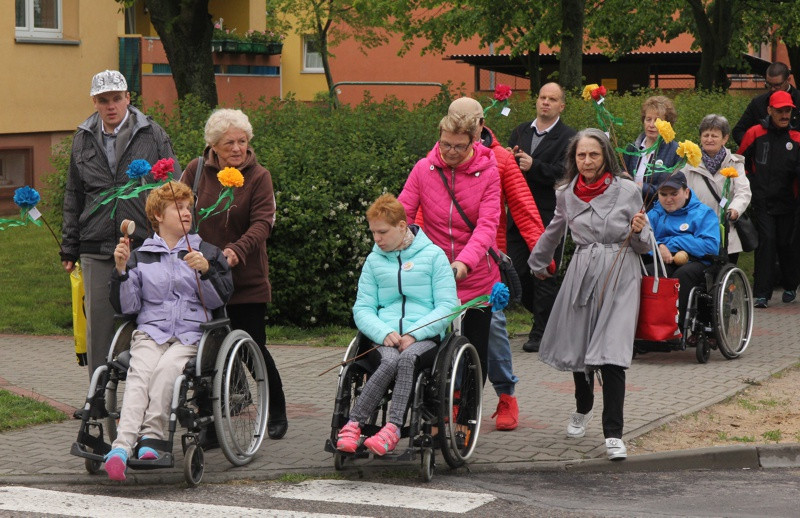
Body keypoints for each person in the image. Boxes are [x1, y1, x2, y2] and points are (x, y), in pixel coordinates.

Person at [528, 128, 652, 461]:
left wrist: (640, 231)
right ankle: (583, 406)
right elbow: (554, 229)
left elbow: (643, 245)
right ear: (573, 158)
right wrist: (538, 262)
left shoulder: (628, 190)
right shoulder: (566, 193)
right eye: (581, 155)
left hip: (621, 272)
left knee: (611, 354)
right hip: (582, 272)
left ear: (606, 156)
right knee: (579, 351)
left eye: (593, 154)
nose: (587, 161)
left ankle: (613, 433)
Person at [102, 182, 233, 481]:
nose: (187, 213)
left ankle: (152, 439)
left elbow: (218, 300)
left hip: (190, 334)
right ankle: (121, 448)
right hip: (151, 332)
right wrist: (121, 271)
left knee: (165, 373)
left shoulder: (206, 252)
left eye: (189, 208)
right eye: (179, 208)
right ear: (158, 216)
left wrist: (206, 271)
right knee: (139, 375)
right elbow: (130, 306)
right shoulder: (141, 255)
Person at [61, 69, 181, 378]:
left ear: (128, 98)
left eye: (116, 98)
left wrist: (179, 239)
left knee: (150, 323)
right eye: (103, 100)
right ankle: (98, 403)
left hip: (145, 245)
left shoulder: (152, 133)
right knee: (98, 327)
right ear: (94, 102)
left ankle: (150, 395)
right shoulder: (82, 138)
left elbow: (174, 187)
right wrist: (69, 248)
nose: (111, 106)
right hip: (96, 246)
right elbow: (74, 195)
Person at [180, 108, 287, 439]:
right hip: (202, 280)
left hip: (245, 281)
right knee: (206, 352)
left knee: (253, 349)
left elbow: (262, 223)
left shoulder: (259, 176)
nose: (238, 149)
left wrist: (235, 252)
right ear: (214, 144)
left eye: (243, 141)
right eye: (230, 143)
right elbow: (179, 209)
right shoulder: (197, 170)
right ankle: (209, 421)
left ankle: (275, 408)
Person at [447, 96, 546, 431]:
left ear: (480, 122)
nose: (461, 126)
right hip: (444, 261)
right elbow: (419, 206)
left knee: (494, 330)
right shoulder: (440, 157)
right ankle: (456, 393)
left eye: (467, 120)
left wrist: (540, 253)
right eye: (453, 118)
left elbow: (523, 207)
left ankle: (506, 394)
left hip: (487, 262)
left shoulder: (501, 159)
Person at [336, 194, 459, 456]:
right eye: (373, 232)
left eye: (382, 232)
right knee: (390, 360)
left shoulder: (434, 256)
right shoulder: (373, 260)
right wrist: (383, 332)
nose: (376, 239)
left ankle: (392, 428)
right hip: (385, 335)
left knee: (407, 359)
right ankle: (353, 425)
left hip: (424, 336)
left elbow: (448, 306)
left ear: (402, 227)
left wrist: (414, 333)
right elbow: (363, 308)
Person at [398, 111, 500, 394]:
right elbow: (403, 212)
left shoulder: (489, 172)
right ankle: (434, 411)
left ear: (472, 143)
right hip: (435, 273)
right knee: (432, 348)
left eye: (458, 146)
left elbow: (487, 225)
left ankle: (467, 412)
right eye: (445, 144)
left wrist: (465, 262)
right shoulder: (423, 169)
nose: (450, 152)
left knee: (474, 354)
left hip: (476, 276)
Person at [507, 82, 577, 353]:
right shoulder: (519, 131)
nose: (545, 102)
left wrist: (534, 167)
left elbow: (566, 173)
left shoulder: (570, 137)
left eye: (552, 99)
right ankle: (554, 316)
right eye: (542, 97)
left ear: (561, 106)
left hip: (549, 214)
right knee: (515, 269)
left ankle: (540, 331)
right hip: (517, 213)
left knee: (543, 272)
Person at [737, 90, 800, 308]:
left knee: (787, 244)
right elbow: (740, 160)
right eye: (780, 110)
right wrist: (750, 182)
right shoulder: (755, 133)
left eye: (788, 110)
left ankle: (791, 285)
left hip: (788, 203)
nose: (785, 115)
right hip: (762, 201)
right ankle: (762, 293)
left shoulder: (796, 138)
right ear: (770, 110)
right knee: (767, 243)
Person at [647, 172, 721, 329]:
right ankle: (652, 325)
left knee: (682, 275)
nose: (668, 199)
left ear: (686, 192)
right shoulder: (654, 214)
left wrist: (673, 243)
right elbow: (644, 240)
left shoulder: (704, 213)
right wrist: (659, 247)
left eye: (674, 194)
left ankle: (676, 326)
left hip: (698, 261)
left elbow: (710, 246)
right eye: (663, 194)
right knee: (650, 272)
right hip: (665, 260)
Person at [682, 114, 752, 264]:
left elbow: (743, 192)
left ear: (725, 139)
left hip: (727, 231)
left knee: (726, 275)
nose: (709, 139)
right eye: (705, 135)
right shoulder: (689, 165)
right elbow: (682, 194)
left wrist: (734, 210)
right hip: (698, 230)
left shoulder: (735, 163)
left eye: (714, 135)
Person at [622, 95, 680, 207]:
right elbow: (622, 171)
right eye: (648, 119)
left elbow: (673, 187)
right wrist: (623, 176)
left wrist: (642, 187)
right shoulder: (632, 148)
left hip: (659, 211)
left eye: (657, 121)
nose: (651, 125)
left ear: (668, 124)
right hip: (631, 208)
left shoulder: (675, 151)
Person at [732, 62, 800, 145]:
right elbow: (738, 131)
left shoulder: (798, 99)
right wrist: (755, 147)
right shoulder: (758, 103)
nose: (773, 89)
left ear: (788, 80)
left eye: (777, 85)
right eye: (769, 84)